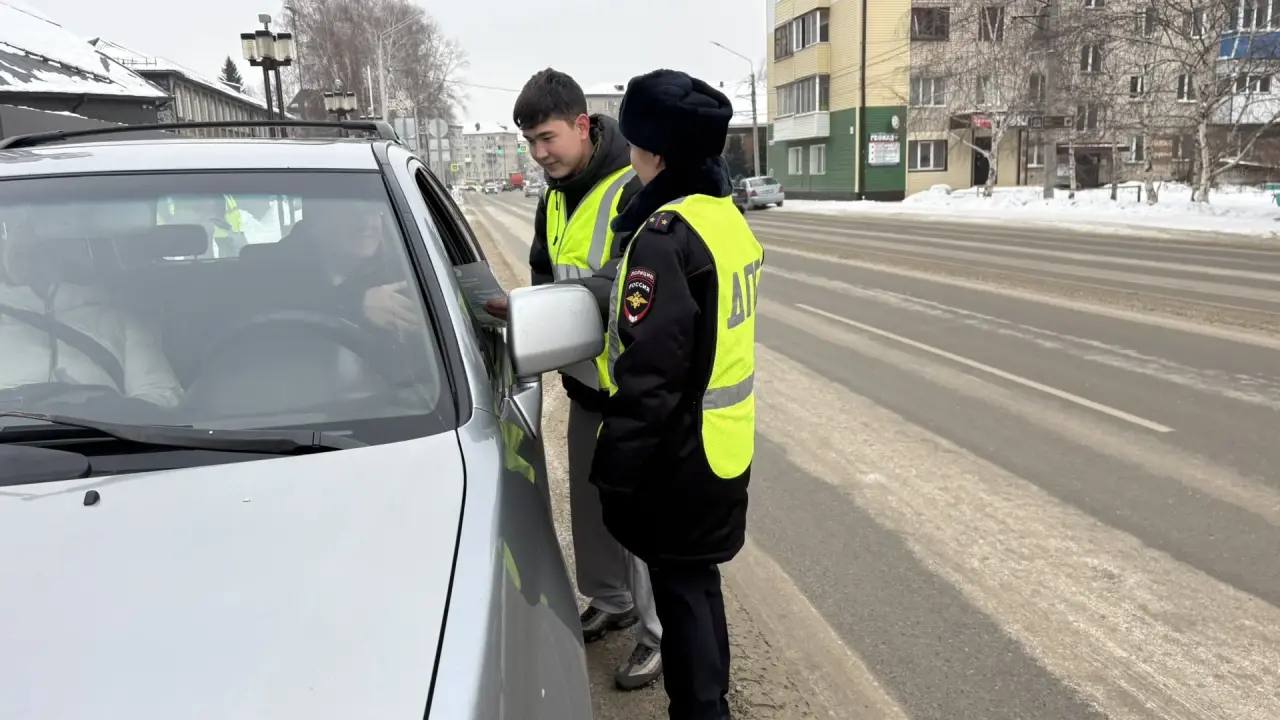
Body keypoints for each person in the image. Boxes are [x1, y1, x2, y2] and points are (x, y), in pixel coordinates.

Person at [592, 70, 763, 720]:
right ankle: (709, 705)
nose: (630, 156)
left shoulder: (665, 238)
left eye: (635, 144)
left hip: (679, 457)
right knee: (699, 587)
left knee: (682, 593)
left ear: (654, 152)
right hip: (722, 444)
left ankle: (700, 711)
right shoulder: (722, 218)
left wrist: (616, 470)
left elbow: (649, 376)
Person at [497, 67, 664, 691]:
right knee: (591, 507)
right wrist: (530, 309)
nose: (540, 155)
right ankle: (611, 601)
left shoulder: (631, 187)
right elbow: (546, 272)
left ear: (582, 125)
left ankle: (657, 633)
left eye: (547, 139)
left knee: (642, 522)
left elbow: (623, 283)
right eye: (531, 144)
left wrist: (548, 311)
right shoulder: (555, 194)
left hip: (635, 389)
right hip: (586, 384)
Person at [0, 209, 183, 409]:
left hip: (101, 435)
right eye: (20, 252)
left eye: (40, 249)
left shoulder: (120, 320)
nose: (29, 261)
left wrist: (100, 415)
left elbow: (161, 397)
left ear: (67, 254)